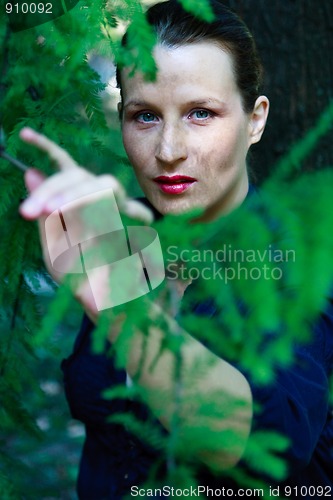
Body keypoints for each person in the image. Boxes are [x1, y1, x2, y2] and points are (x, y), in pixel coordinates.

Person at [18, 0, 333, 498]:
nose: (168, 151)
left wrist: (119, 304)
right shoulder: (126, 234)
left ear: (255, 120)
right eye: (144, 116)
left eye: (200, 113)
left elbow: (265, 443)